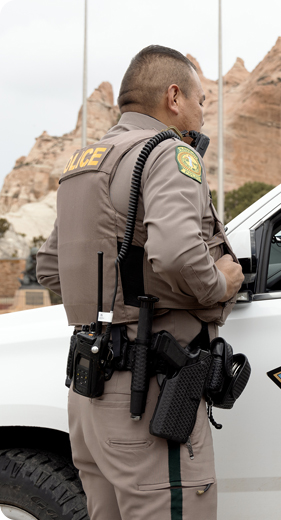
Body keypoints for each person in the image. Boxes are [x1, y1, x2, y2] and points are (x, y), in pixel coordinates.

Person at [36, 45, 244, 520]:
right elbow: (176, 253)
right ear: (174, 97)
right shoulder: (168, 152)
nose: (201, 111)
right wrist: (222, 283)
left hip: (89, 392)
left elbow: (51, 268)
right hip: (145, 394)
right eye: (200, 100)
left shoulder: (84, 163)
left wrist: (121, 294)